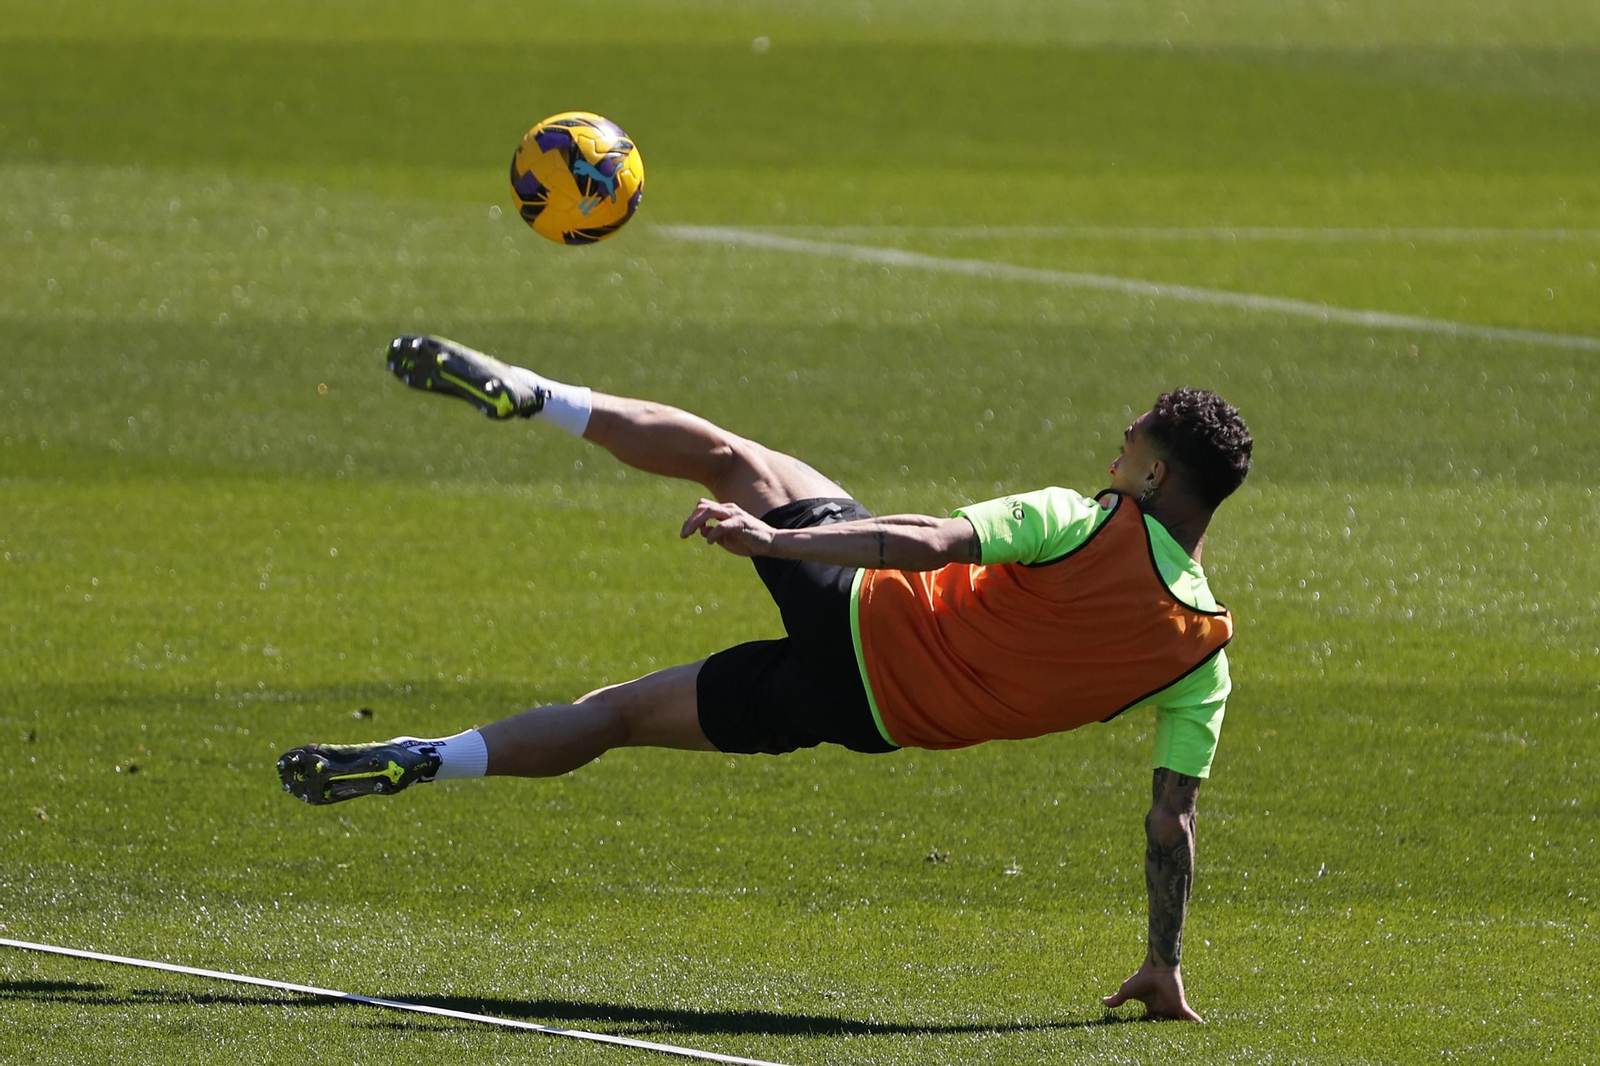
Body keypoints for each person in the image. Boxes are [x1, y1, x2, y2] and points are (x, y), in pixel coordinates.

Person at [278, 334, 1253, 1022]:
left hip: (856, 609)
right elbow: (1172, 823)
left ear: (1158, 474)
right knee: (616, 717)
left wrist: (776, 540)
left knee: (726, 457)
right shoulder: (1200, 652)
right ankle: (431, 757)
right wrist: (1163, 961)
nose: (1113, 448)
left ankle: (535, 395)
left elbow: (918, 541)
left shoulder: (1085, 520)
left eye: (1129, 440)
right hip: (867, 716)